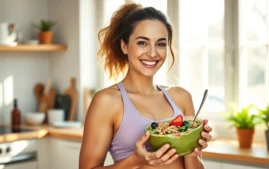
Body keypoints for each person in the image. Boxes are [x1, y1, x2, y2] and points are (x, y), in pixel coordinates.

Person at [79, 3, 212, 169]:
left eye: (161, 44)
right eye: (142, 43)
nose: (152, 53)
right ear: (124, 46)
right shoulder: (107, 101)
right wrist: (135, 160)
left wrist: (192, 149)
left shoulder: (181, 97)